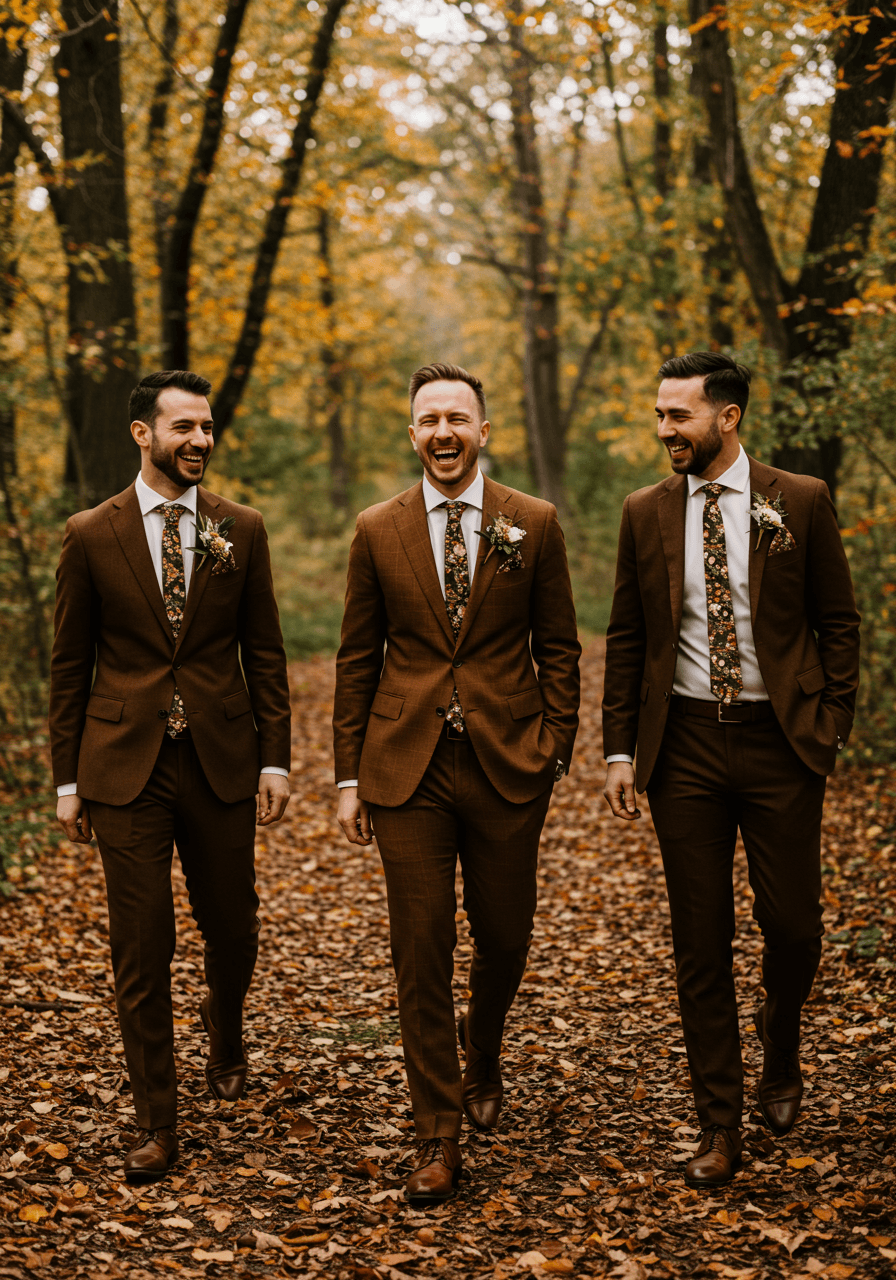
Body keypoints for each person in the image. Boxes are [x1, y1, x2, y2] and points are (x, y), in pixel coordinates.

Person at [601, 351, 860, 1188]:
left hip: (781, 743)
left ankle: (780, 1040)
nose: (665, 429)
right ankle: (719, 1121)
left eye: (679, 415)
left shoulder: (802, 501)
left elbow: (839, 621)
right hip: (683, 750)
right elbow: (629, 637)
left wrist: (830, 725)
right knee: (699, 940)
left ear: (728, 417)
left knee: (795, 930)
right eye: (660, 414)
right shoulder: (645, 512)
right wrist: (617, 749)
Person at [333, 363, 580, 1204]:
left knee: (505, 937)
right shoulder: (377, 528)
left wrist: (557, 744)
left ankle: (485, 1049)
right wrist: (346, 776)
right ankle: (436, 1133)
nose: (443, 432)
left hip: (509, 761)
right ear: (412, 434)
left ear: (484, 431)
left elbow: (562, 645)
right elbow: (357, 658)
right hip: (405, 767)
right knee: (422, 947)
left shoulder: (533, 523)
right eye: (428, 419)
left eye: (458, 418)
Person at [50, 370, 292, 1183]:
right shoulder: (91, 533)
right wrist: (64, 781)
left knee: (235, 928)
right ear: (142, 434)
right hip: (124, 769)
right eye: (183, 428)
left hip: (220, 759)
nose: (199, 442)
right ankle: (158, 1118)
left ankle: (225, 1029)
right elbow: (68, 667)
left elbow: (265, 652)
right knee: (141, 944)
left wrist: (275, 758)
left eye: (208, 429)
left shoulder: (242, 528)